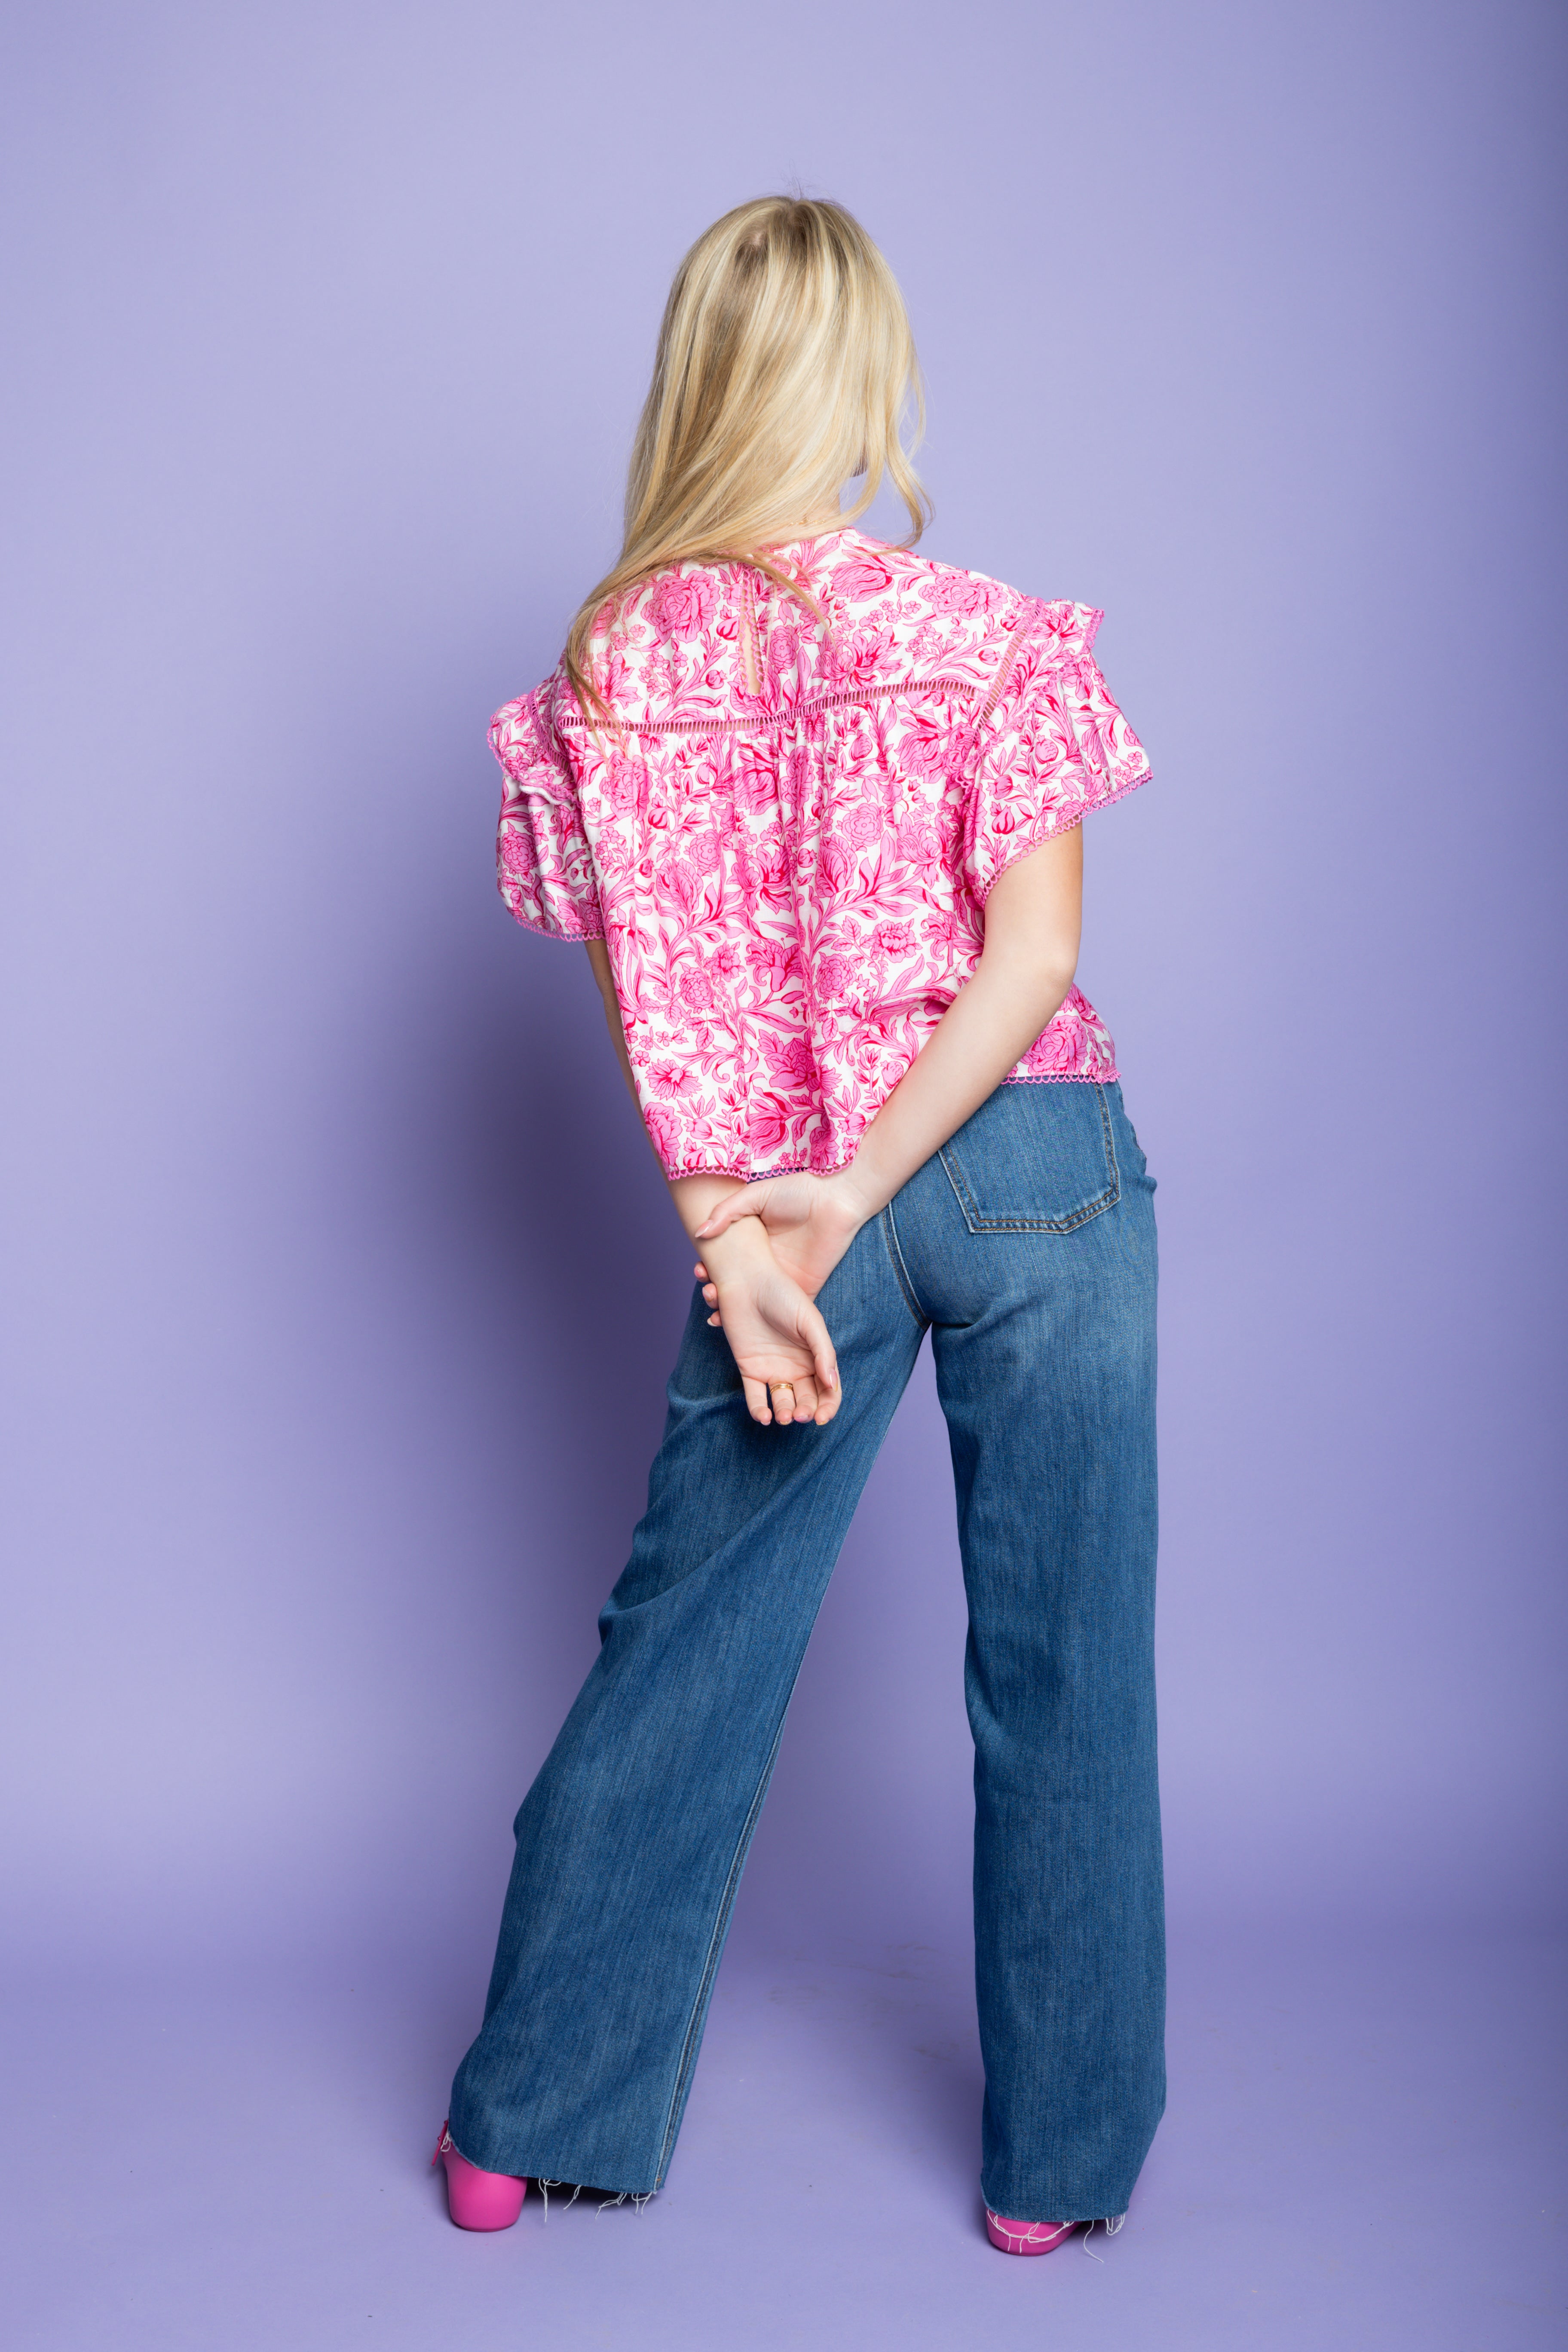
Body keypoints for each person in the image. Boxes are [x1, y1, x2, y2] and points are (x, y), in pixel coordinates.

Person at [433, 195, 1162, 2258]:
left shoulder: (605, 670)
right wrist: (870, 1176)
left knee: (684, 1652)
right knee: (1067, 1674)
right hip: (1028, 1160)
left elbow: (651, 1006)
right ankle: (1057, 2180)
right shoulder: (989, 635)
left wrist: (755, 1231)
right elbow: (1029, 964)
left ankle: (521, 2131)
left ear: (697, 374)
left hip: (780, 1208)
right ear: (868, 383)